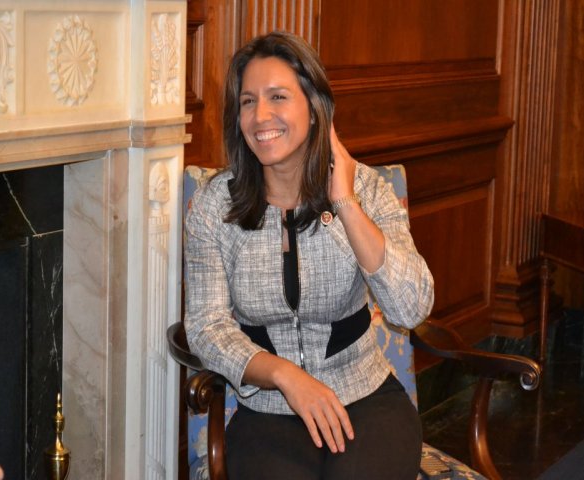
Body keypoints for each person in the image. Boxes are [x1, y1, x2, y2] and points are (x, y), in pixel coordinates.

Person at [184, 31, 434, 479]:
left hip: (367, 401)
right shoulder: (213, 205)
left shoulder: (367, 190)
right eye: (247, 101)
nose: (261, 116)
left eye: (278, 96)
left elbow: (411, 307)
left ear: (315, 109)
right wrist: (285, 377)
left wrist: (346, 203)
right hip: (266, 413)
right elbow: (206, 328)